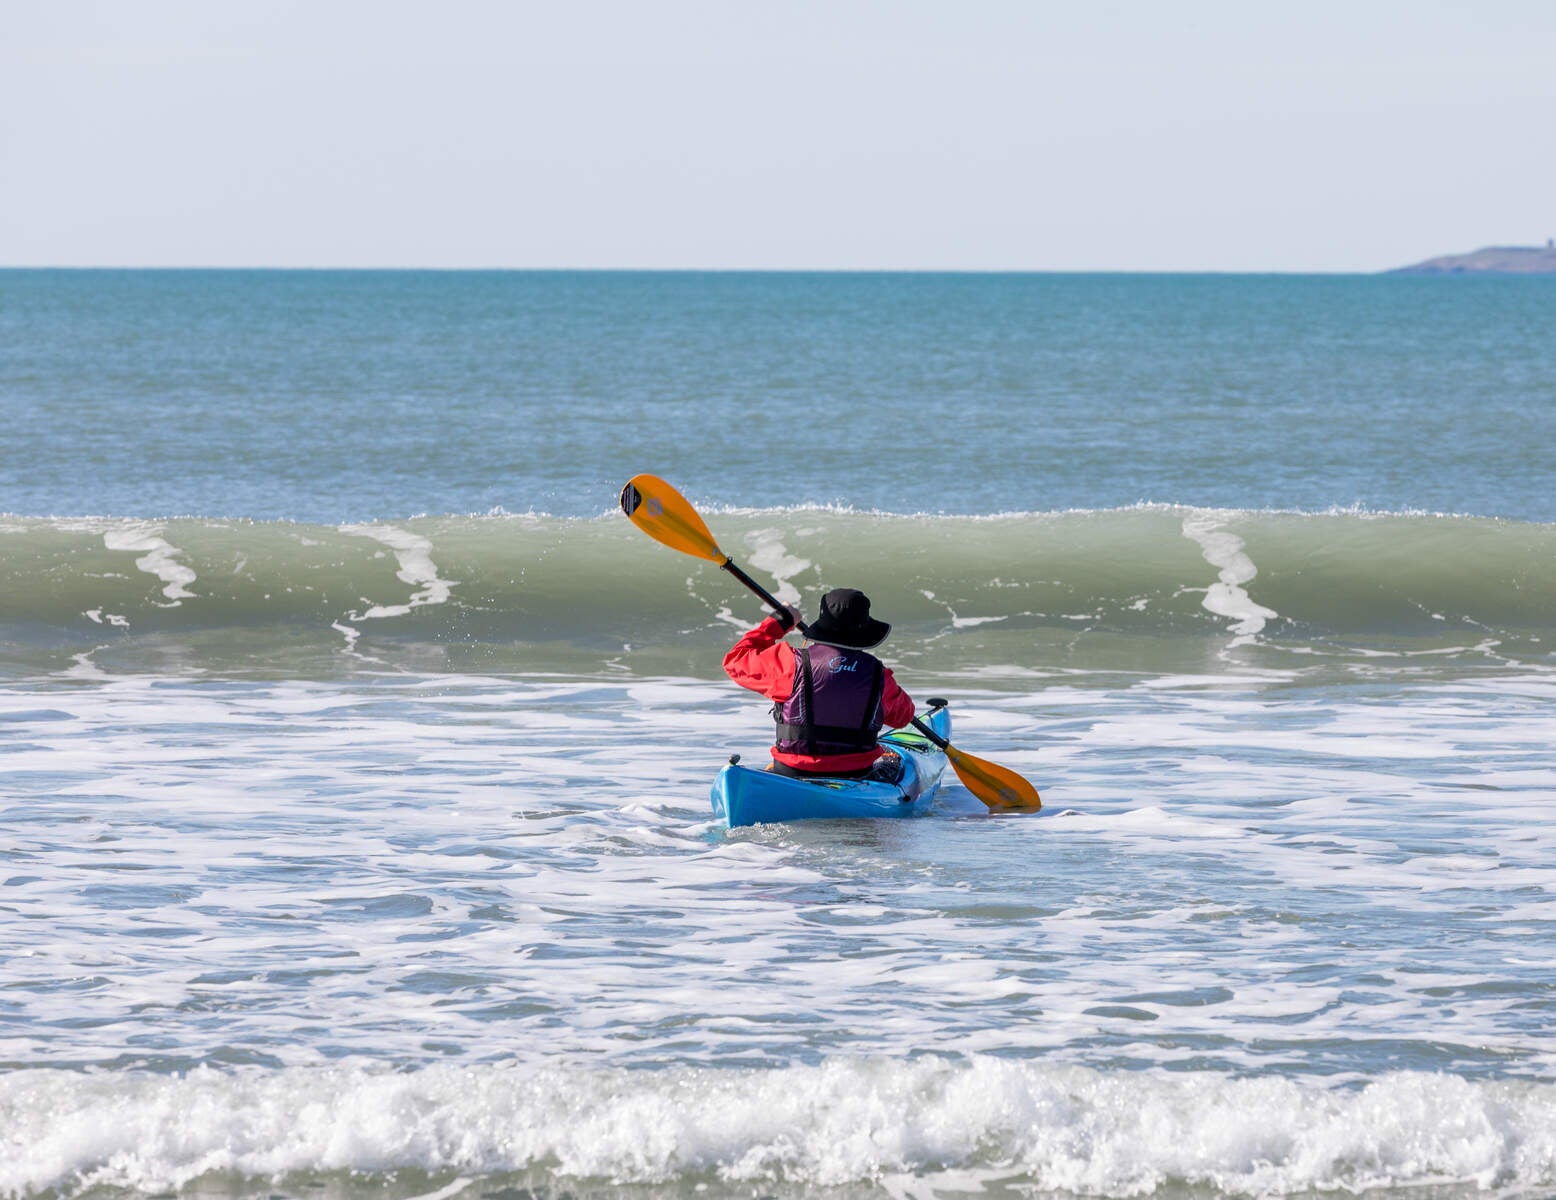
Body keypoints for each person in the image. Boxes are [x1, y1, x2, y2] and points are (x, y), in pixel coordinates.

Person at [722, 587, 915, 778]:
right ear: (863, 630)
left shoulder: (790, 663)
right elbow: (903, 717)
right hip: (854, 775)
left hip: (791, 773)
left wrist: (780, 621)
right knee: (894, 763)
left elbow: (735, 661)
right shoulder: (877, 674)